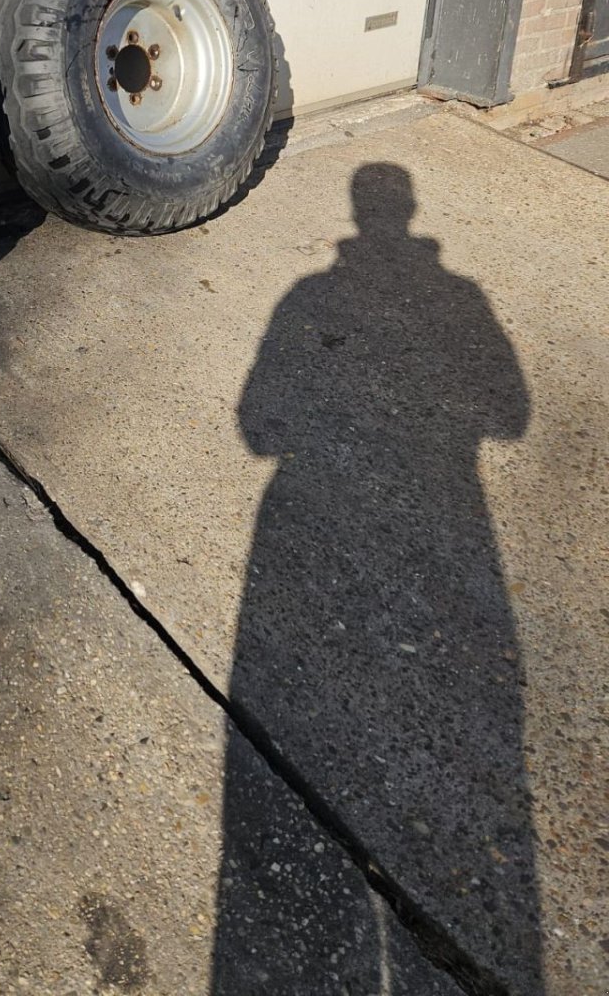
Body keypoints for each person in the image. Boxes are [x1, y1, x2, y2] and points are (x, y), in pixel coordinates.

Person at [211, 163, 540, 993]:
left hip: (296, 513)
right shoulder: (462, 296)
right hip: (457, 511)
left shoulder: (302, 297)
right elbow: (512, 415)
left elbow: (256, 427)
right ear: (410, 211)